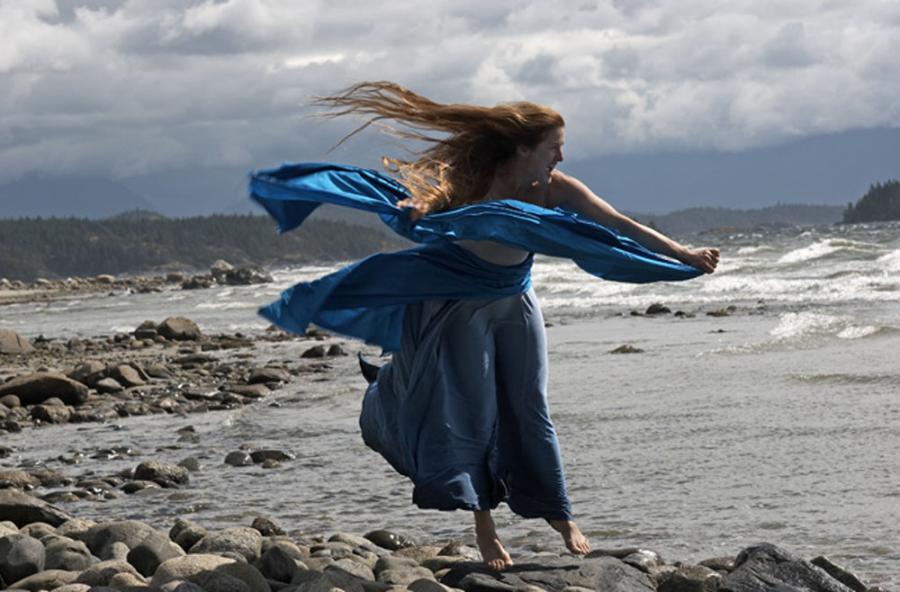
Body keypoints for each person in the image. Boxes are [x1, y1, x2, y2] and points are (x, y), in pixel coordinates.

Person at [250, 81, 719, 571]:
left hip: (514, 296)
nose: (562, 155)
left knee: (531, 405)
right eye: (554, 147)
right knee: (471, 411)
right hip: (460, 302)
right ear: (523, 148)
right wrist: (420, 208)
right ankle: (484, 526)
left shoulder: (558, 189)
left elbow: (621, 225)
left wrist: (682, 254)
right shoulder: (473, 179)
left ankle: (560, 515)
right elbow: (427, 202)